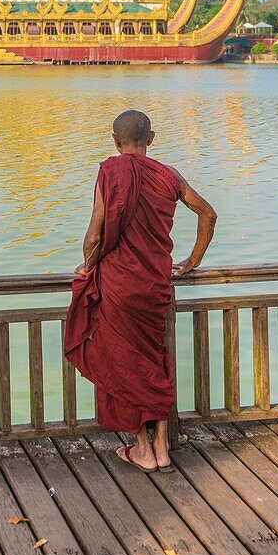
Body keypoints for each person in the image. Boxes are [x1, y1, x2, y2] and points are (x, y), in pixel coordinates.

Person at [64, 109, 216, 473]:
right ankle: (163, 447)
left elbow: (94, 236)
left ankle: (143, 449)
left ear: (115, 141)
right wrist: (192, 259)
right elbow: (208, 214)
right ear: (151, 138)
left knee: (124, 362)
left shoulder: (110, 172)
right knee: (154, 360)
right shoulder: (168, 175)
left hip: (118, 285)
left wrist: (87, 267)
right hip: (155, 284)